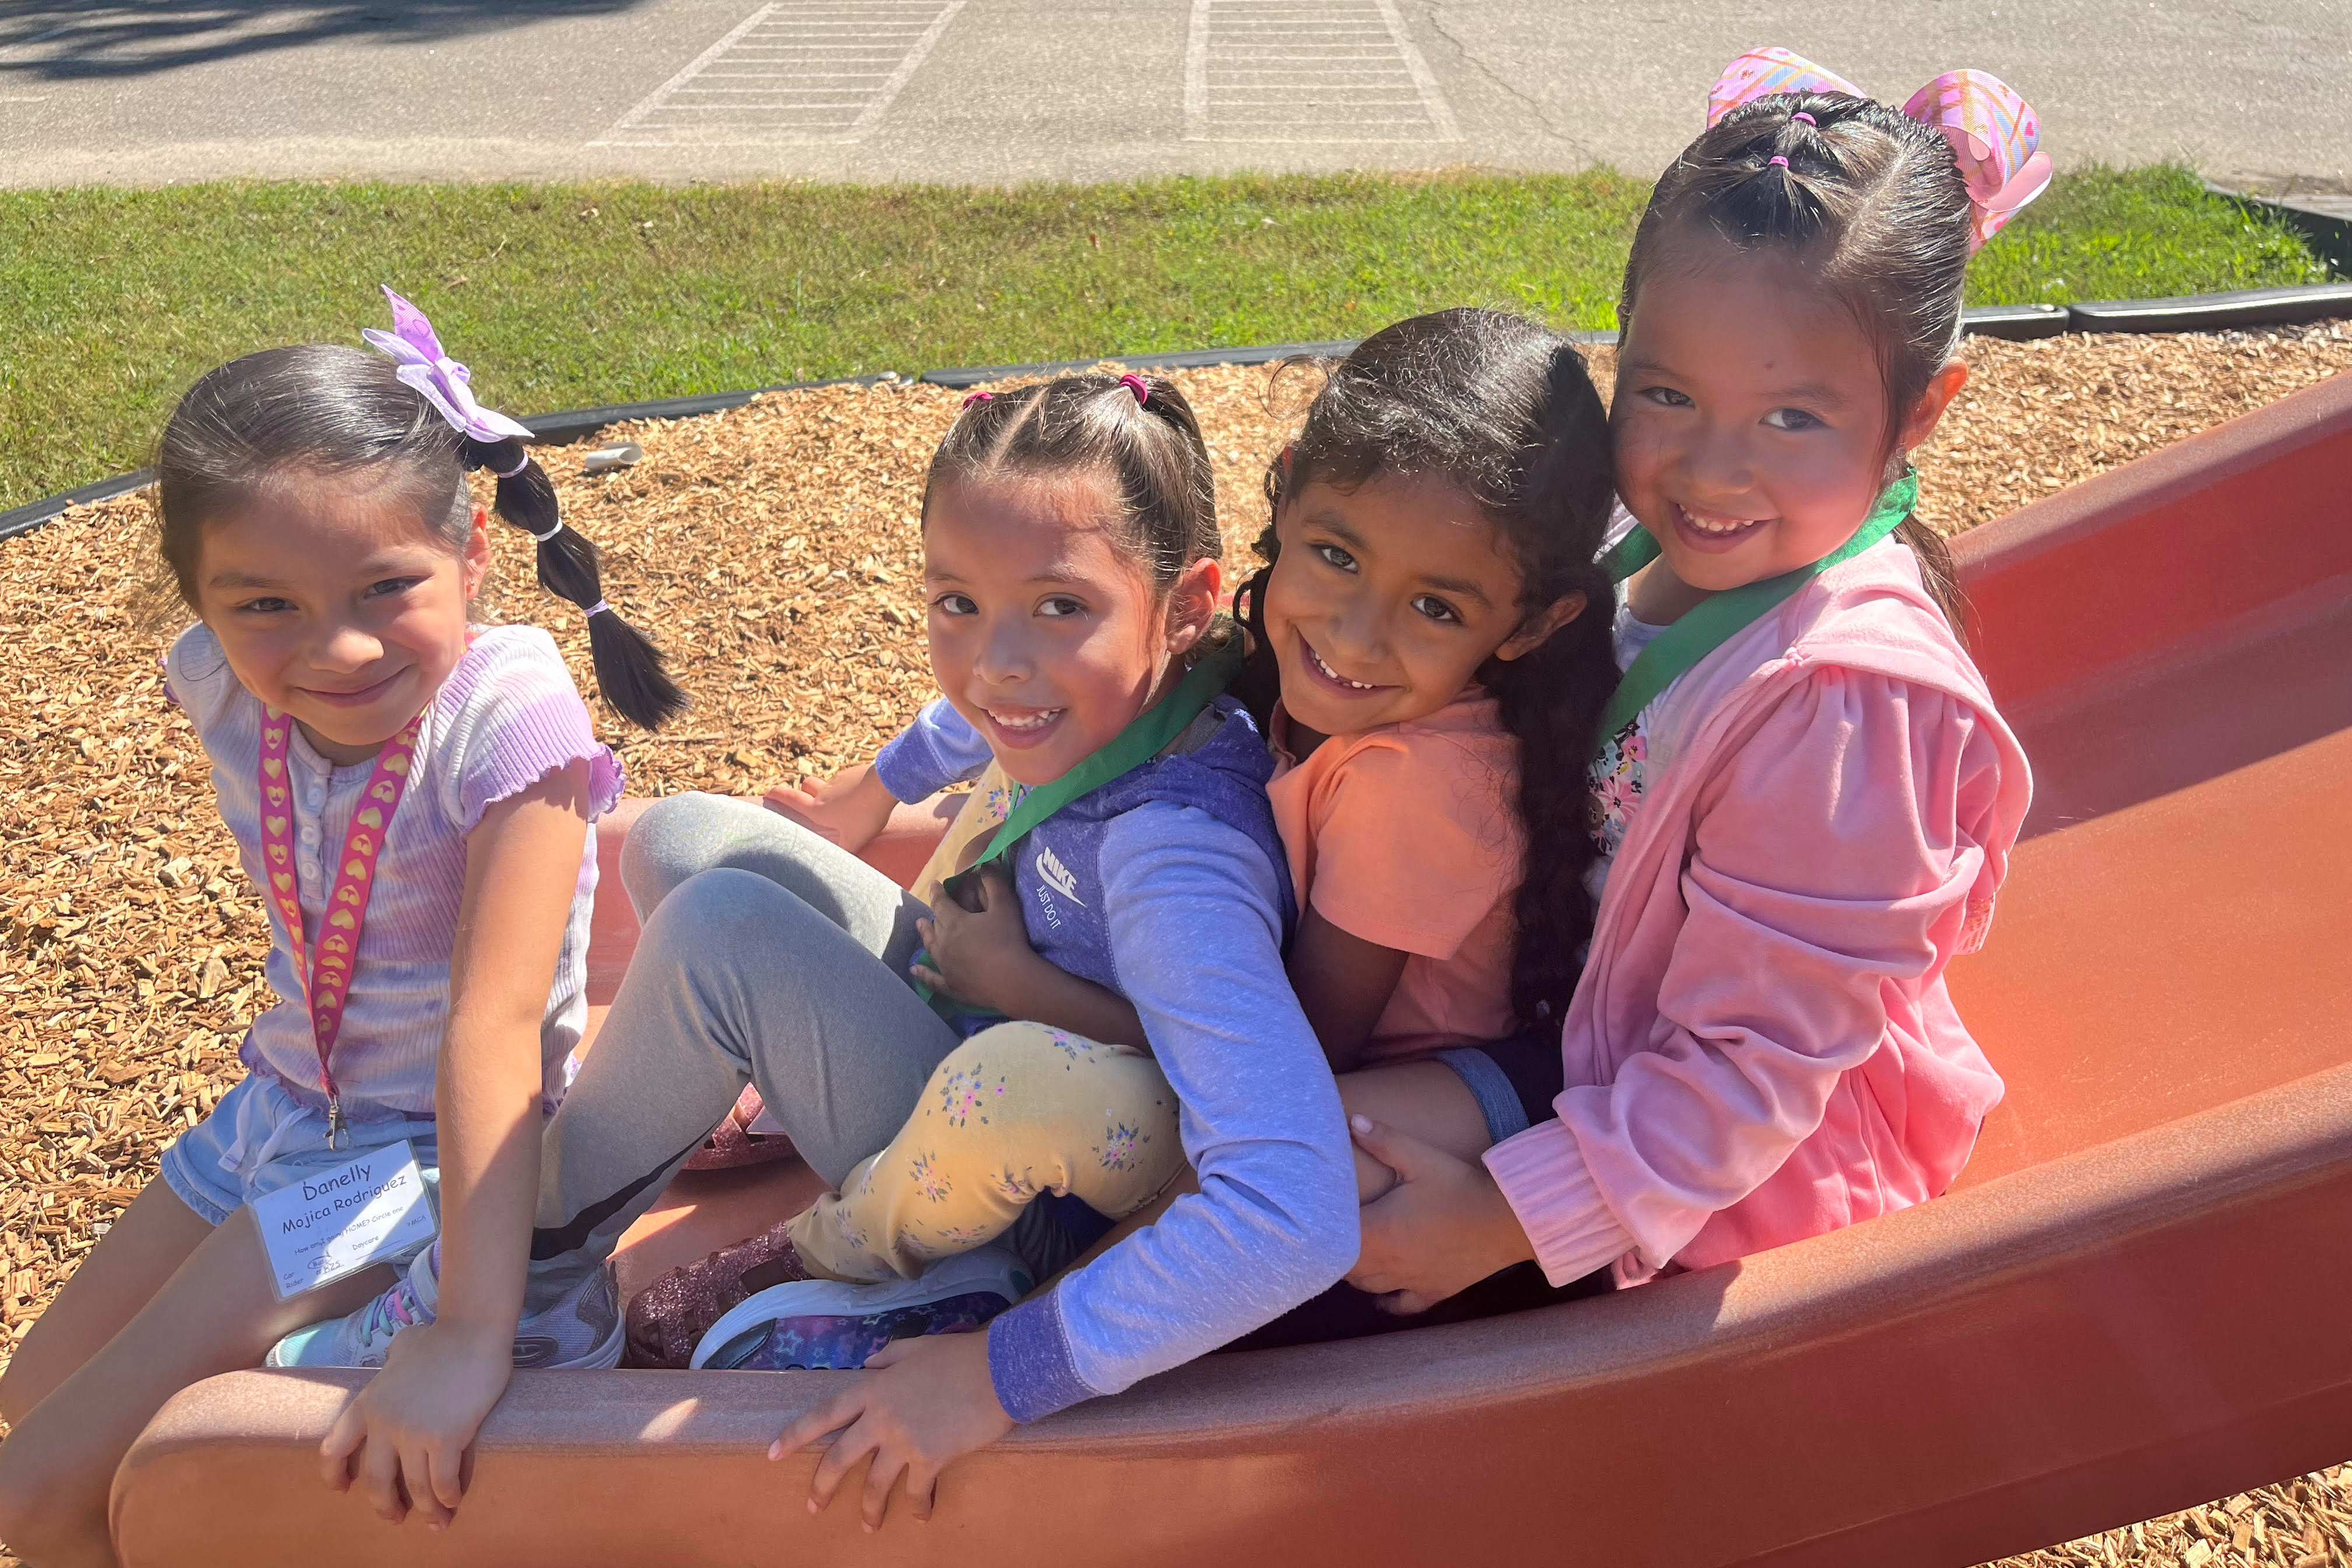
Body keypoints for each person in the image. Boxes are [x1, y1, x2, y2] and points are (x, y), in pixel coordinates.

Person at [282, 370, 1360, 1532]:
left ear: (1187, 603)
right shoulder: (1150, 684)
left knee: (721, 935)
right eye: (956, 601)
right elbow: (977, 713)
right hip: (980, 1032)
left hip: (1021, 1186)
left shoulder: (1174, 860)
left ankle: (525, 1290)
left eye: (1058, 608)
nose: (997, 661)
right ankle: (761, 1090)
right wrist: (866, 796)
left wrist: (1010, 1368)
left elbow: (1290, 1201)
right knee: (689, 839)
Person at [741, 307, 1628, 1350]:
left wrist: (1022, 984)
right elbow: (1025, 692)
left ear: (1529, 625)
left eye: (1435, 608)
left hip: (1356, 1103)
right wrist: (874, 788)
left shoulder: (1414, 783)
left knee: (1084, 1126)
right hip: (1244, 1041)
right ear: (1288, 494)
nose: (1352, 632)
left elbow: (1291, 1057)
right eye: (1337, 556)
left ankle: (963, 1299)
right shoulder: (1309, 664)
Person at [1342, 49, 2039, 1319]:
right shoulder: (1630, 538)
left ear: (1922, 411)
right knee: (1219, 1135)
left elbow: (1752, 1071)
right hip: (1560, 1037)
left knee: (1283, 1186)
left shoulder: (1843, 703)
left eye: (1790, 419)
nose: (1711, 469)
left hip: (1700, 1170)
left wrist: (1500, 1221)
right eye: (1665, 394)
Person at [0, 289, 676, 1563]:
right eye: (265, 604)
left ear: (472, 551)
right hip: (280, 1112)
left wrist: (469, 1334)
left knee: (43, 1497)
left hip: (416, 1165)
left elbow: (492, 1031)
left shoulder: (508, 716)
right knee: (32, 1415)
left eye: (385, 585)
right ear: (196, 599)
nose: (340, 646)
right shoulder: (215, 680)